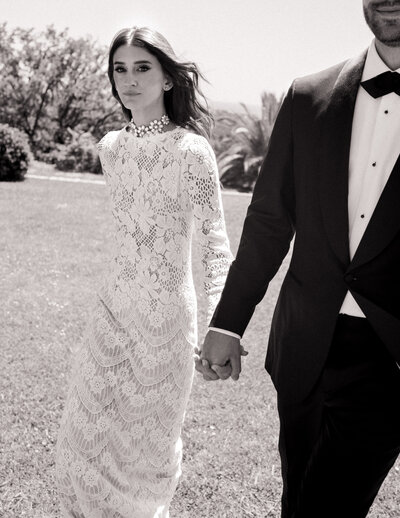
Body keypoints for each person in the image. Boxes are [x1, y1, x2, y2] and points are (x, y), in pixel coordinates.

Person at [196, 1, 400, 517]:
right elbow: (268, 222)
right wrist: (228, 322)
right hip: (304, 346)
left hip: (390, 356)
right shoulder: (308, 95)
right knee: (298, 499)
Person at [55, 26, 233, 518]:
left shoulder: (192, 152)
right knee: (79, 441)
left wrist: (222, 321)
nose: (129, 80)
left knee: (145, 451)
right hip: (110, 313)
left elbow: (215, 244)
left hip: (166, 323)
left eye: (142, 68)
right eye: (120, 69)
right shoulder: (110, 147)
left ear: (168, 79)